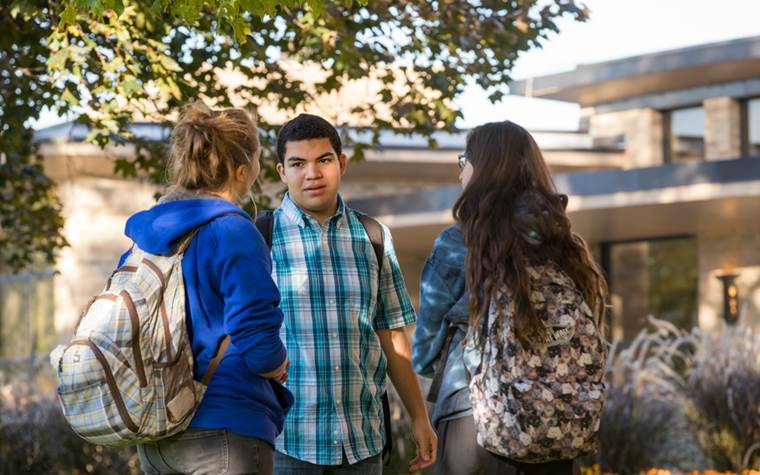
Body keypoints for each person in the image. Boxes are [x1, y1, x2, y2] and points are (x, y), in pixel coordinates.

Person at [265, 113, 437, 474]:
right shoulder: (259, 237)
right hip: (285, 441)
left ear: (341, 163)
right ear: (282, 172)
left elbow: (392, 334)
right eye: (298, 164)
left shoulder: (373, 236)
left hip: (361, 442)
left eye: (323, 160)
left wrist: (419, 417)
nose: (312, 174)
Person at [125, 102, 292, 475]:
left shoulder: (145, 236)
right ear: (243, 170)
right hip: (223, 426)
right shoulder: (233, 230)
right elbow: (257, 340)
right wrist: (279, 363)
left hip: (156, 427)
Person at [454, 121, 608, 475]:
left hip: (505, 431)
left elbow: (450, 342)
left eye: (465, 159)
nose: (461, 169)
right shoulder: (558, 231)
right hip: (564, 424)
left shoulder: (473, 236)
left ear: (486, 165)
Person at [412, 175, 515, 473]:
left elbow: (424, 351)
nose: (459, 172)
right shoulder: (558, 238)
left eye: (464, 161)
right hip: (549, 411)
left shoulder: (458, 240)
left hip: (471, 405)